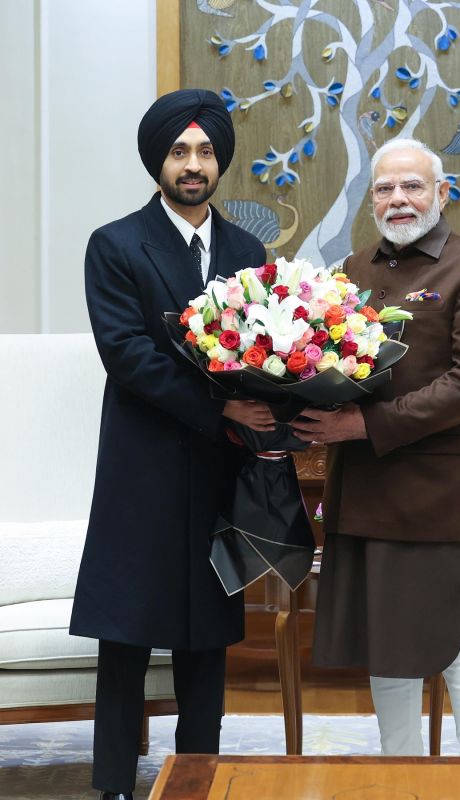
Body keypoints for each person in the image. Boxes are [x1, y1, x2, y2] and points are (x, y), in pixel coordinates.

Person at [70, 89, 275, 800]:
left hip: (219, 474)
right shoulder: (116, 244)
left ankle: (199, 777)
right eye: (180, 151)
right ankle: (113, 785)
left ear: (220, 163)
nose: (194, 165)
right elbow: (128, 356)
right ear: (157, 159)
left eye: (206, 152)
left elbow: (268, 349)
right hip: (143, 467)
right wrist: (225, 409)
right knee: (126, 634)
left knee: (206, 632)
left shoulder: (250, 252)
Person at [291, 138, 460, 757]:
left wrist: (362, 426)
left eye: (413, 186)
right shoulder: (351, 273)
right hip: (365, 490)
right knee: (385, 647)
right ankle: (400, 773)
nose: (398, 200)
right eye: (385, 189)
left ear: (442, 194)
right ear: (372, 202)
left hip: (441, 498)